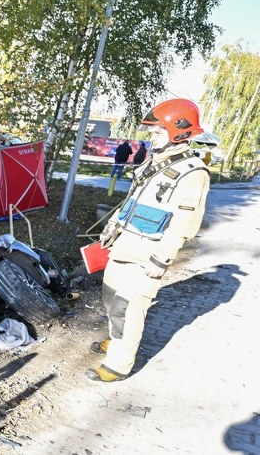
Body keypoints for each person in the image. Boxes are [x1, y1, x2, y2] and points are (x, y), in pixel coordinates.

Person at [89, 98, 212, 382]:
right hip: (123, 244)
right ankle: (117, 340)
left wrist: (163, 258)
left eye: (158, 131)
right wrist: (112, 225)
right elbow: (132, 199)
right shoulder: (155, 162)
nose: (151, 135)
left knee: (128, 307)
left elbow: (185, 223)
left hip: (149, 252)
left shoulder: (193, 172)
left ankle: (119, 364)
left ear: (180, 131)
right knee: (110, 296)